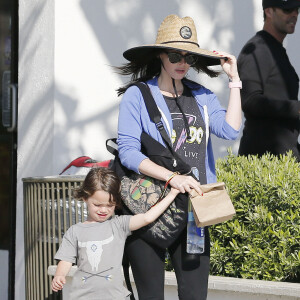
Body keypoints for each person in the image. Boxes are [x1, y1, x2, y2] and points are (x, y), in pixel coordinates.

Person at [116, 14, 242, 300]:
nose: (182, 63)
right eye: (175, 55)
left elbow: (231, 130)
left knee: (195, 295)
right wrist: (173, 178)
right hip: (147, 208)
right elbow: (128, 152)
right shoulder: (138, 95)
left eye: (188, 57)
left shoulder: (202, 95)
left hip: (194, 211)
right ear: (160, 55)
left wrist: (234, 81)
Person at [51, 167, 179, 299]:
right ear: (85, 198)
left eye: (110, 205)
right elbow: (66, 259)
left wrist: (172, 194)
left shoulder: (119, 225)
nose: (104, 210)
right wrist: (59, 276)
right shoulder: (75, 231)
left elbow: (147, 218)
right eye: (97, 205)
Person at [238, 0, 300, 161]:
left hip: (284, 161)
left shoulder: (275, 49)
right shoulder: (257, 49)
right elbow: (250, 101)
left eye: (296, 9)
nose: (294, 14)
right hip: (264, 168)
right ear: (269, 12)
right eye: (288, 10)